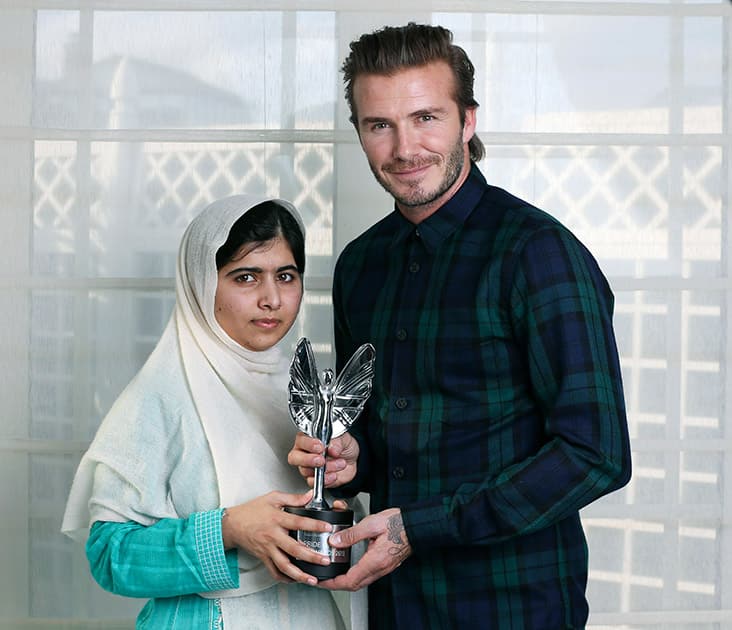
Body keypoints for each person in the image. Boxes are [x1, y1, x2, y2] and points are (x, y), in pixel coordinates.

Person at [288, 23, 632, 629]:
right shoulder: (359, 266)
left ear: (467, 122)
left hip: (512, 608)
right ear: (360, 133)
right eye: (380, 125)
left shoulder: (539, 254)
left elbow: (595, 453)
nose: (404, 148)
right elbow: (382, 435)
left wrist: (418, 527)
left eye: (426, 118)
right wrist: (350, 457)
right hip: (395, 605)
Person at [62, 195, 347, 629]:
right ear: (200, 282)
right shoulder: (161, 395)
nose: (271, 298)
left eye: (286, 276)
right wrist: (229, 530)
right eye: (246, 277)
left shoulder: (301, 393)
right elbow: (109, 556)